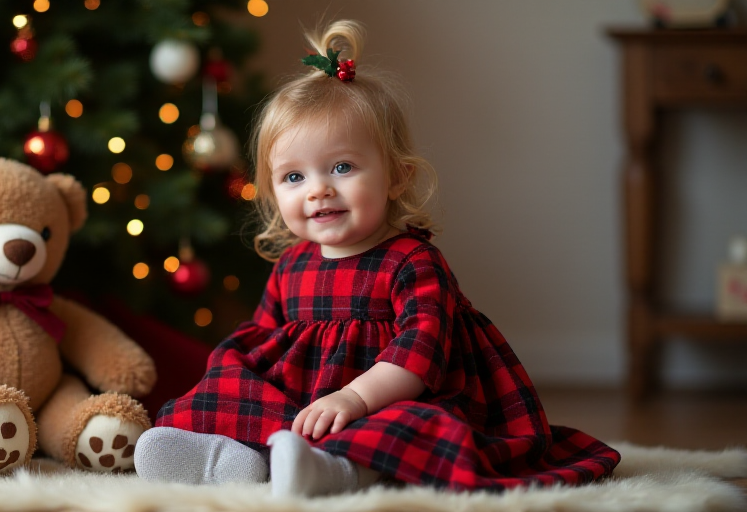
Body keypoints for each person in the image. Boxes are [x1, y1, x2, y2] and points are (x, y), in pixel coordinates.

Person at [134, 19, 620, 497]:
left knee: (417, 427)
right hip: (303, 404)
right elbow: (261, 338)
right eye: (293, 177)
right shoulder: (293, 266)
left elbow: (420, 353)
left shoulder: (411, 262)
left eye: (342, 167)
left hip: (391, 397)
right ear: (271, 189)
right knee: (228, 380)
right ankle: (236, 458)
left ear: (397, 177)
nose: (319, 189)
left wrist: (354, 397)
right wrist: (236, 381)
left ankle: (335, 471)